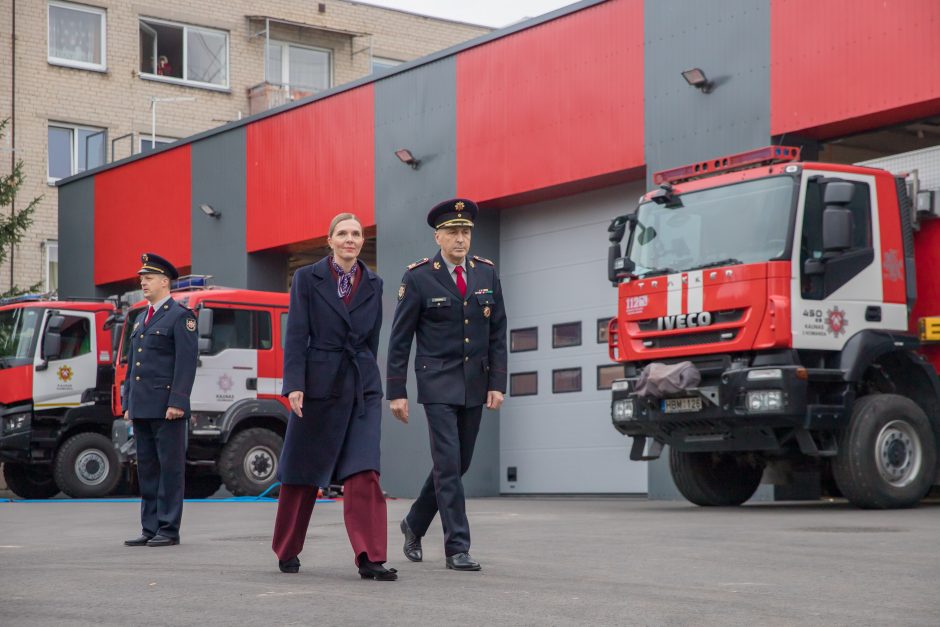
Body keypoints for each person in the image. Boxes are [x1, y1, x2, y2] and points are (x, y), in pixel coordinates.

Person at [272, 213, 396, 581]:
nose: (350, 239)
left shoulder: (374, 282)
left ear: (361, 242)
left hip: (360, 387)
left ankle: (371, 557)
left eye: (356, 234)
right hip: (316, 385)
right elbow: (296, 333)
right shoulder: (307, 278)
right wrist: (294, 383)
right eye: (342, 233)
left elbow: (372, 339)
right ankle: (287, 549)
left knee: (365, 471)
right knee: (301, 472)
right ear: (330, 240)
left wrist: (370, 379)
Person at [387, 198, 508, 571]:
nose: (460, 239)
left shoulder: (486, 273)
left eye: (466, 232)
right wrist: (396, 391)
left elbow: (498, 331)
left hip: (475, 383)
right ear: (438, 236)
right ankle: (457, 546)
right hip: (437, 383)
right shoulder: (419, 277)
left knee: (458, 463)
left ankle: (414, 522)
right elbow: (400, 339)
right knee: (448, 464)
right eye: (453, 232)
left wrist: (496, 383)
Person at [123, 253, 197, 548]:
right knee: (148, 469)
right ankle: (149, 526)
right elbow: (133, 366)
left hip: (167, 406)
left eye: (149, 278)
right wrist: (128, 402)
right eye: (142, 278)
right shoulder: (142, 318)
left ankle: (168, 528)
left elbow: (186, 363)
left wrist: (177, 401)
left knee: (170, 469)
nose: (143, 282)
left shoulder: (181, 316)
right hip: (143, 406)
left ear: (165, 282)